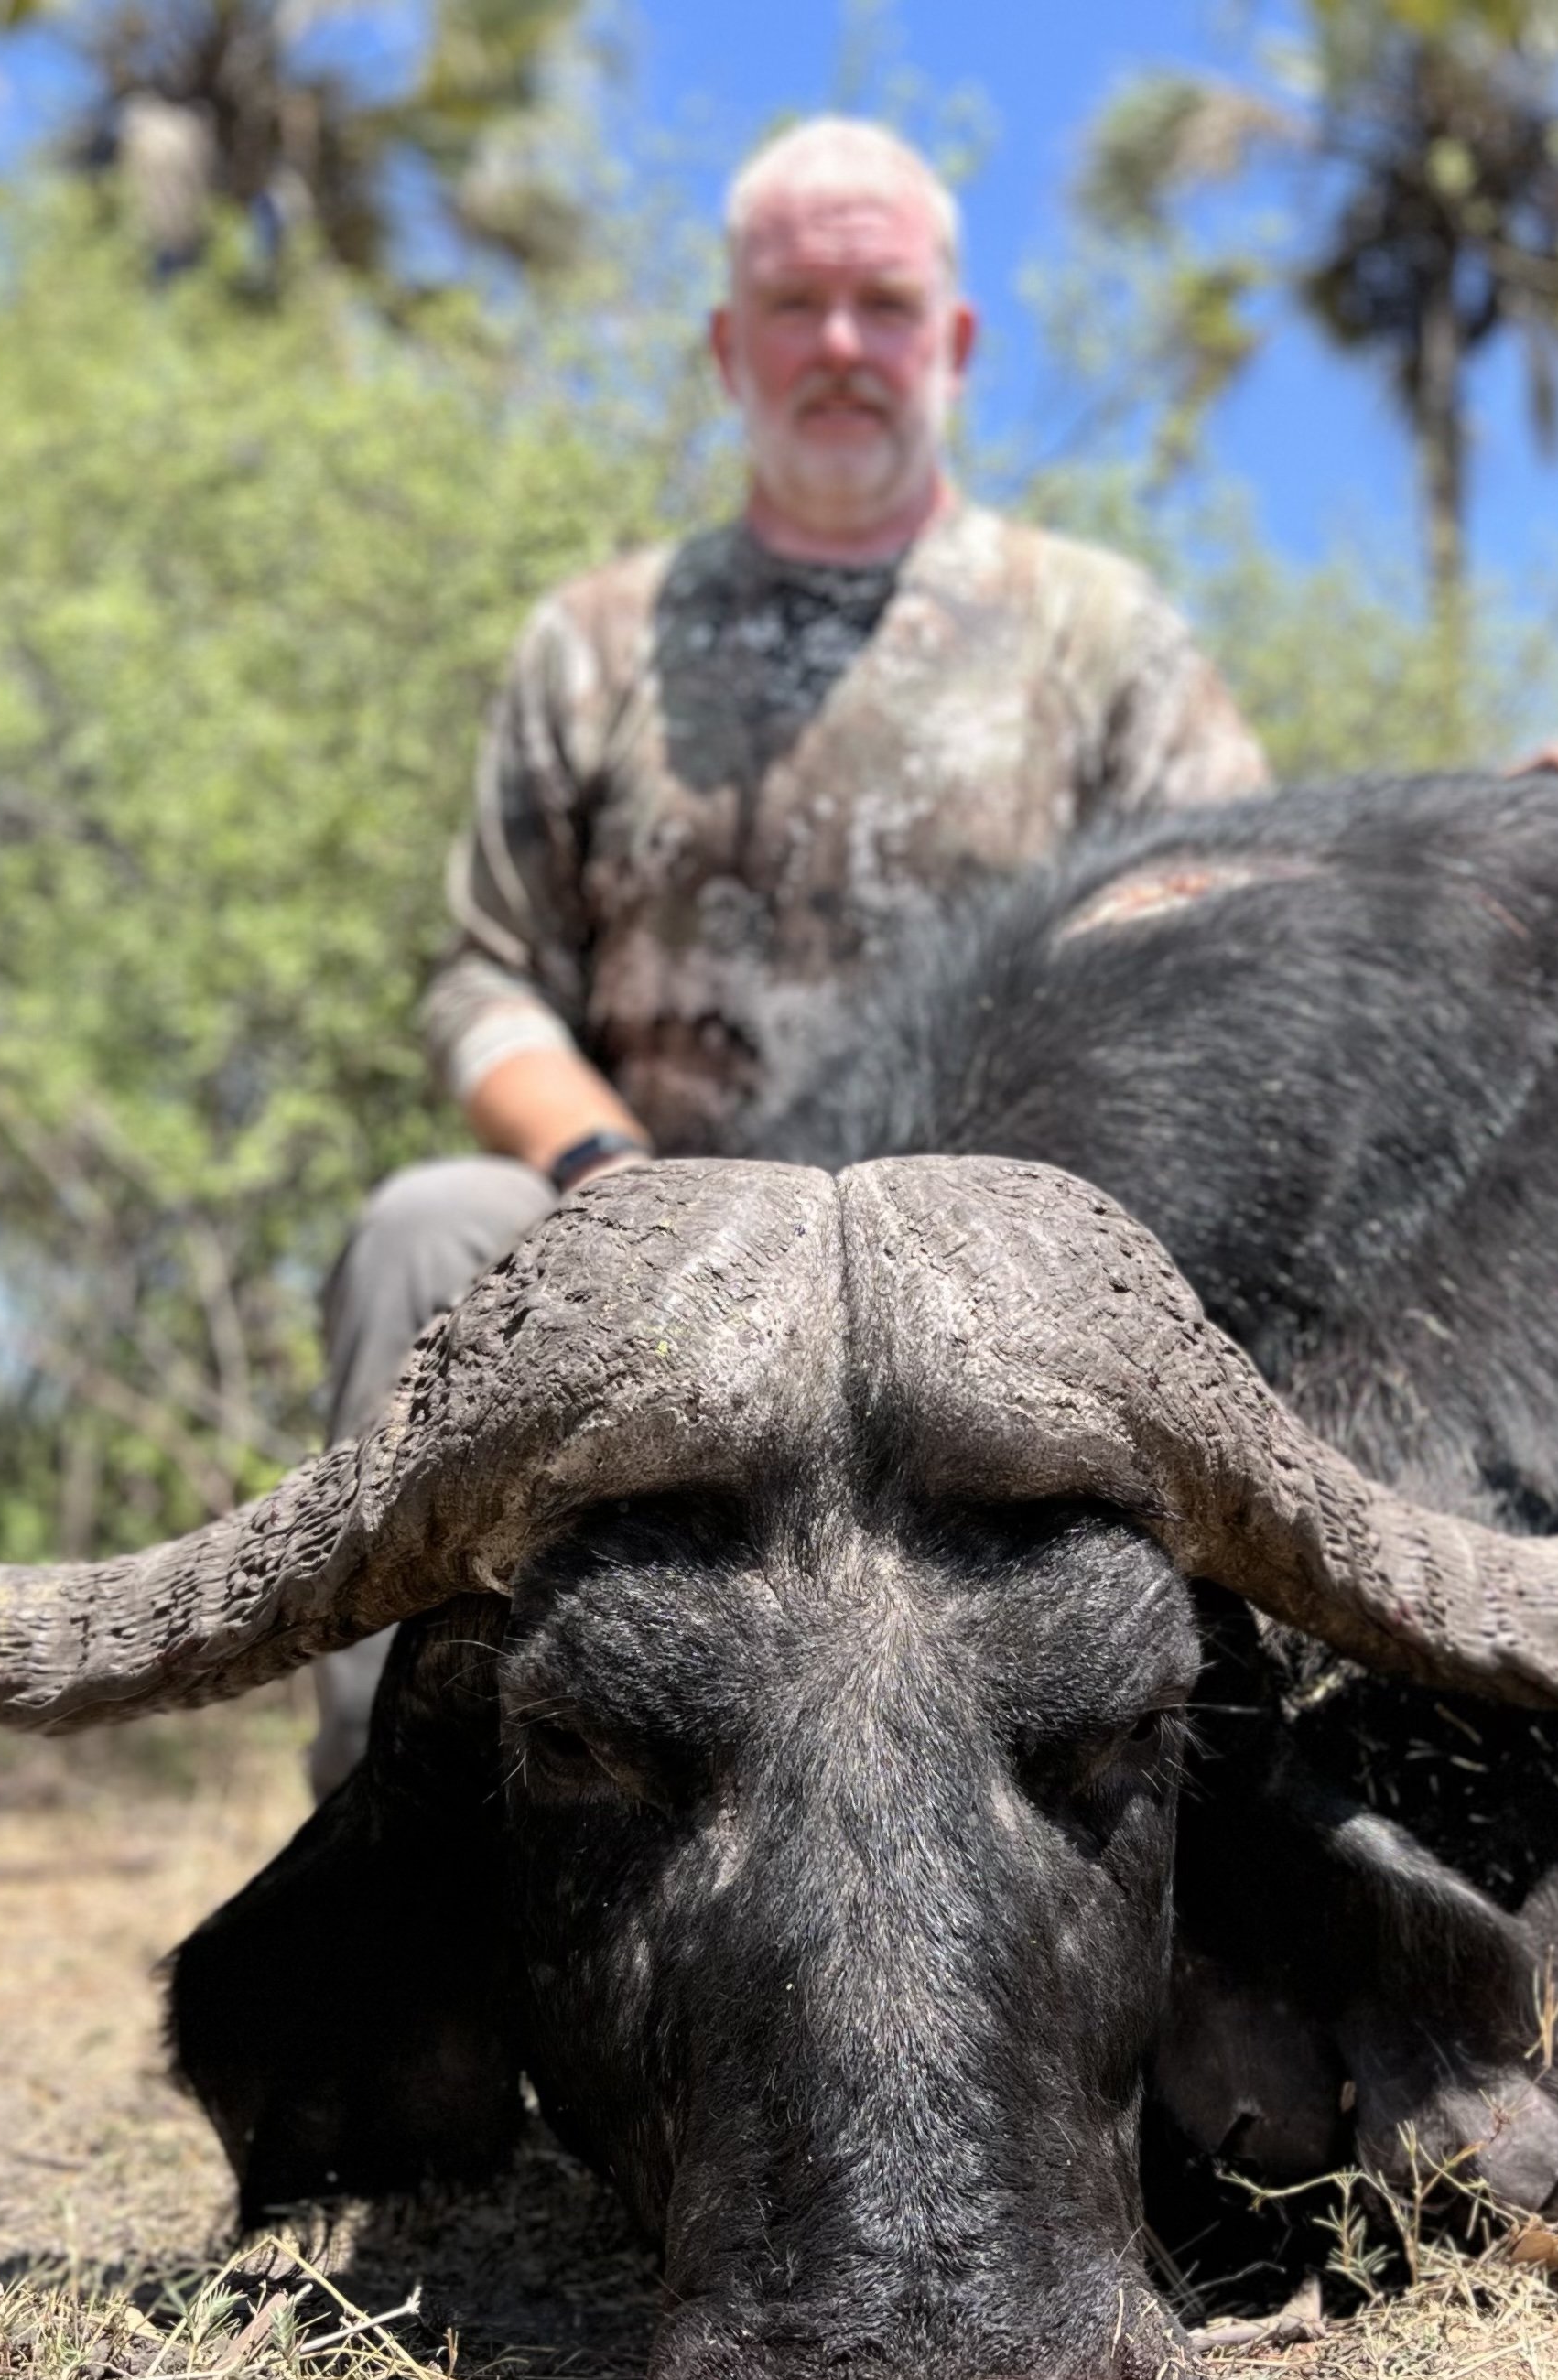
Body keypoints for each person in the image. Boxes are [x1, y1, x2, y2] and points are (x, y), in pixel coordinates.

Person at [307, 114, 1271, 1795]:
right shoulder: (594, 643)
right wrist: (596, 1167)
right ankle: (390, 1882)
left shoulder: (1099, 636)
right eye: (797, 303)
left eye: (883, 304)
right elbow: (485, 978)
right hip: (642, 1258)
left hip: (1002, 1296)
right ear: (727, 346)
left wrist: (1511, 826)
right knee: (424, 1229)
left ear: (952, 345)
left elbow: (1241, 929)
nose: (840, 345)